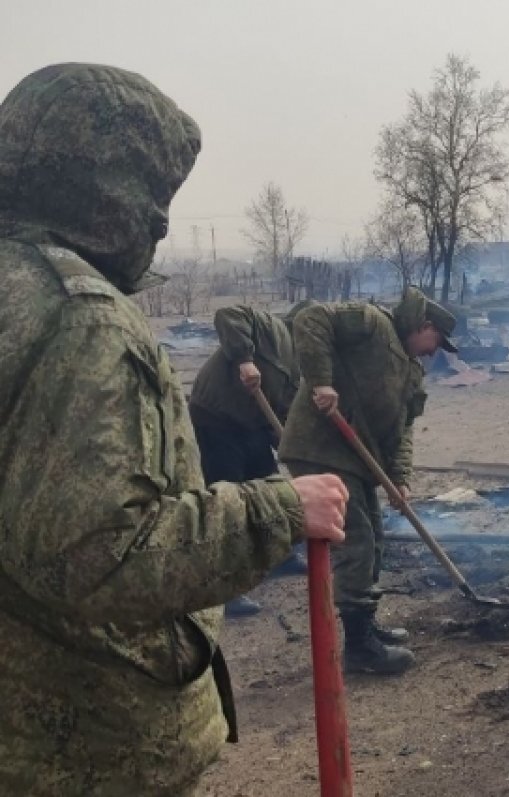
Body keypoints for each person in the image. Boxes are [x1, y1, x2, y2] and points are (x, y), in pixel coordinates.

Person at [0, 63, 349, 796]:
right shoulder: (80, 319)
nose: (161, 221)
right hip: (79, 742)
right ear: (116, 190)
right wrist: (282, 509)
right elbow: (99, 552)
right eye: (156, 197)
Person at [279, 288, 457, 675]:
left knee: (374, 538)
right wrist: (322, 381)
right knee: (357, 541)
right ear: (424, 326)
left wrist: (400, 477)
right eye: (436, 341)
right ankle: (359, 650)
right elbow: (311, 319)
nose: (435, 351)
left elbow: (404, 430)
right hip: (320, 445)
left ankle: (365, 625)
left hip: (356, 459)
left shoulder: (412, 371)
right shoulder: (371, 322)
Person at [189, 301, 315, 616]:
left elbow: (283, 409)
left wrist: (287, 444)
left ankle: (278, 557)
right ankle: (225, 589)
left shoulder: (303, 363)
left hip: (252, 424)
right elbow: (227, 314)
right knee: (227, 501)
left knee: (270, 486)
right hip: (215, 418)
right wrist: (245, 360)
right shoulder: (270, 329)